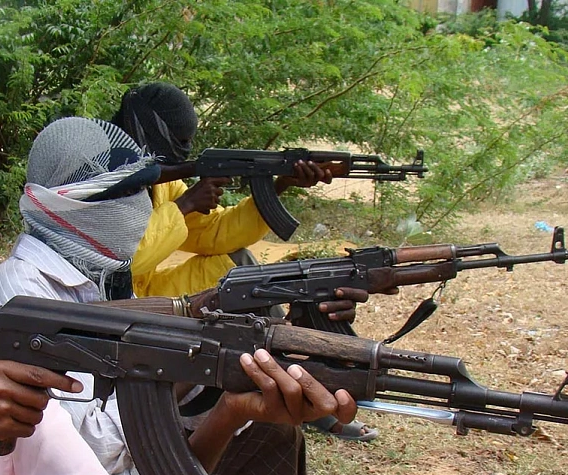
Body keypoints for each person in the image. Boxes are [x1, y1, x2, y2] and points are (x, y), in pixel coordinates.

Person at [0, 94, 355, 475]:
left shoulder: (69, 298)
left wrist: (226, 409)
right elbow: (102, 443)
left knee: (271, 434)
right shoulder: (5, 316)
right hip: (117, 455)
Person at [111, 82, 379, 442]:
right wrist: (186, 204)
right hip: (123, 302)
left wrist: (278, 186)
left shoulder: (163, 184)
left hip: (155, 291)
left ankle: (295, 376)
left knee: (245, 271)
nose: (180, 153)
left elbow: (214, 234)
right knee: (244, 285)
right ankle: (292, 385)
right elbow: (126, 256)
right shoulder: (108, 176)